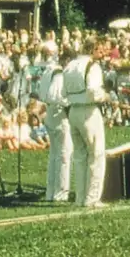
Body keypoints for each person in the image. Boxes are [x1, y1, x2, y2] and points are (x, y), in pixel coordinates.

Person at [63, 36, 109, 208]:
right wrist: (104, 96)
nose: (102, 54)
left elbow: (63, 91)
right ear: (92, 49)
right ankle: (92, 198)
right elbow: (93, 90)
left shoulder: (70, 65)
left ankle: (80, 198)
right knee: (96, 155)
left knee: (80, 155)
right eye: (100, 50)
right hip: (88, 111)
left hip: (73, 111)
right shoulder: (92, 66)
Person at [44, 47, 74, 202]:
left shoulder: (49, 71)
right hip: (59, 115)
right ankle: (61, 192)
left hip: (51, 114)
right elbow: (52, 96)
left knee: (55, 154)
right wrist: (70, 102)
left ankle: (51, 192)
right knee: (64, 155)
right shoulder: (59, 74)